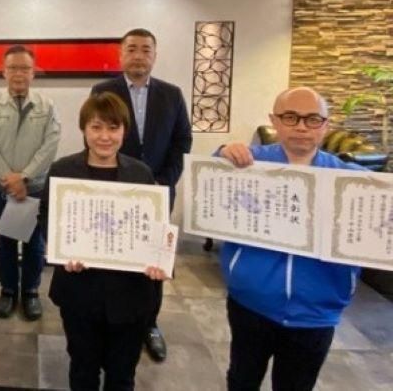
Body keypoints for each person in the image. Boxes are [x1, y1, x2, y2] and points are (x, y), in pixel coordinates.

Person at [216, 86, 364, 391]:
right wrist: (223, 152)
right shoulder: (249, 163)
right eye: (291, 117)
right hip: (250, 303)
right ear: (275, 121)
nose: (301, 127)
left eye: (312, 119)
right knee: (242, 379)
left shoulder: (351, 180)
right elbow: (210, 172)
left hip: (316, 312)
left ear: (325, 125)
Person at [39, 92, 167, 391]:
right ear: (84, 129)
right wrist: (60, 251)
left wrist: (159, 258)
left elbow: (155, 227)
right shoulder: (63, 170)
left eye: (113, 127)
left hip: (130, 296)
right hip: (80, 291)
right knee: (82, 370)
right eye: (96, 127)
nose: (105, 137)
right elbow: (46, 215)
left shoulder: (141, 173)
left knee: (122, 375)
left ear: (125, 130)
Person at [91, 27, 192, 361]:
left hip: (159, 192)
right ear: (121, 55)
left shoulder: (172, 94)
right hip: (116, 193)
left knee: (154, 261)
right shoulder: (103, 91)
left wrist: (164, 182)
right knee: (112, 253)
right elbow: (97, 139)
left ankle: (149, 323)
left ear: (154, 56)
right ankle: (111, 316)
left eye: (145, 50)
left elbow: (182, 141)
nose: (138, 55)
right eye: (131, 49)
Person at [0, 44, 61, 320]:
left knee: (33, 243)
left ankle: (30, 292)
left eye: (25, 68)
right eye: (12, 67)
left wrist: (24, 176)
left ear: (33, 72)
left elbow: (51, 145)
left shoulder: (47, 106)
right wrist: (10, 179)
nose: (18, 73)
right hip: (1, 187)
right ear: (3, 72)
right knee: (5, 241)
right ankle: (7, 290)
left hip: (33, 187)